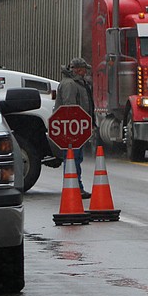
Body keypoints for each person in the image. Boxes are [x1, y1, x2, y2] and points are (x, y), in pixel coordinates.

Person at [56, 57, 94, 198]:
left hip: (77, 128)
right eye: (84, 69)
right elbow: (69, 108)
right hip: (72, 130)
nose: (86, 72)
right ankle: (74, 186)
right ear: (78, 69)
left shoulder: (78, 83)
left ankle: (75, 185)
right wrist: (76, 126)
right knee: (72, 157)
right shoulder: (70, 84)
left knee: (75, 158)